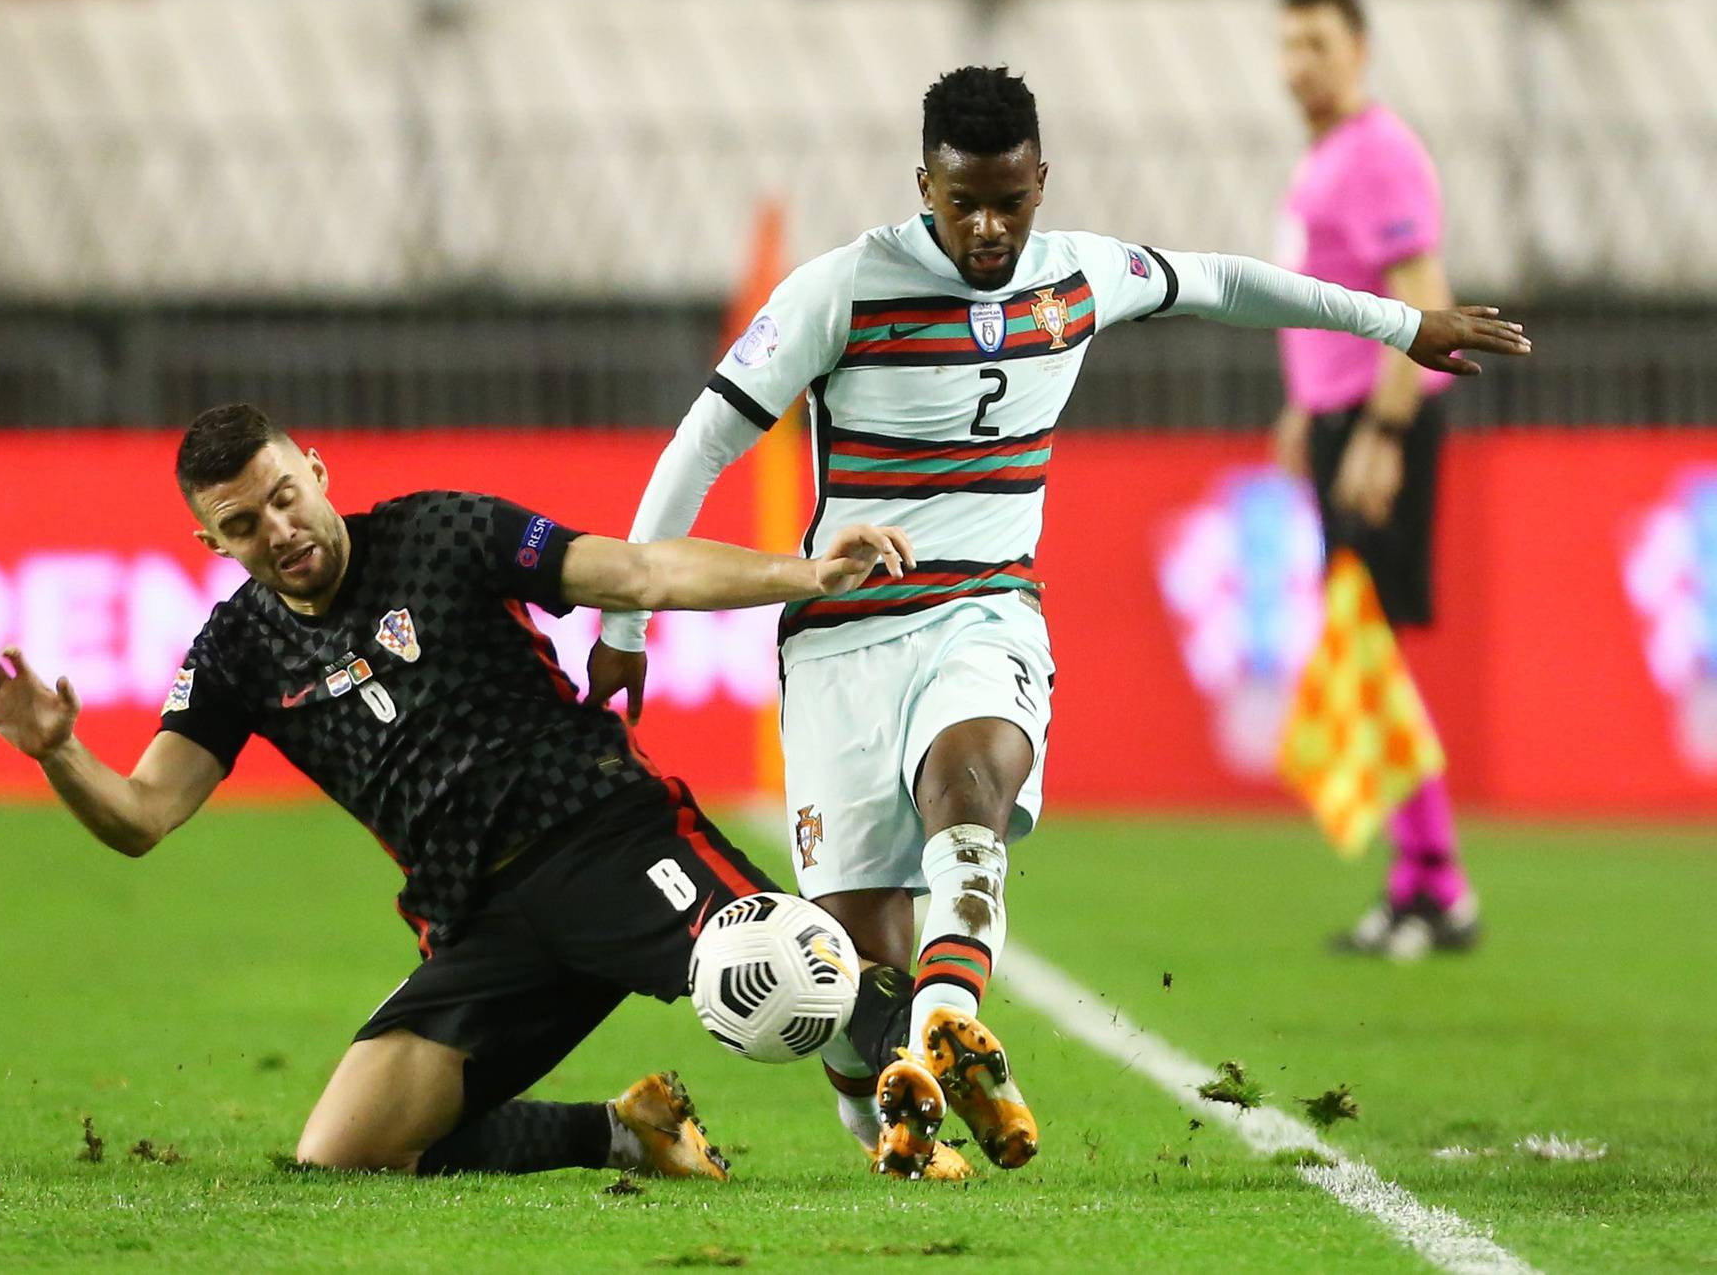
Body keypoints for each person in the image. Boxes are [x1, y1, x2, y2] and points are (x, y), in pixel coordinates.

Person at [586, 65, 1530, 1179]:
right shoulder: (840, 290)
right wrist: (627, 623)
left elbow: (1225, 281)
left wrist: (1399, 324)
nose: (987, 226)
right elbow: (700, 447)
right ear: (921, 184)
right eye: (959, 201)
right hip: (842, 635)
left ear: (1042, 180)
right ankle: (896, 1096)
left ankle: (946, 1018)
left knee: (969, 780)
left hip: (985, 608)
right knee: (850, 958)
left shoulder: (1083, 274)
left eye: (1010, 200)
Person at [0, 402, 924, 1183]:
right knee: (341, 1153)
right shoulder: (237, 651)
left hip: (605, 839)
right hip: (480, 925)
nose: (281, 530)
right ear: (211, 540)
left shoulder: (444, 533)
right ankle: (626, 1132)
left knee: (796, 978)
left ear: (319, 471)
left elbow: (635, 570)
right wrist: (59, 752)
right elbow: (143, 816)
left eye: (286, 496)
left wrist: (807, 573)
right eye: (245, 524)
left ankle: (932, 1076)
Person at [1276, 0, 1481, 959]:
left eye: (1316, 43)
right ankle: (1423, 878)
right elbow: (1337, 300)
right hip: (1339, 411)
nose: (1297, 64)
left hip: (1377, 417)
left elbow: (1423, 295)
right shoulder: (1327, 158)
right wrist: (1302, 403)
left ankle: (1433, 882)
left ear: (1359, 50)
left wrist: (1382, 433)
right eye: (1288, 45)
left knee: (1372, 649)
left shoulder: (1379, 155)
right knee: (1366, 651)